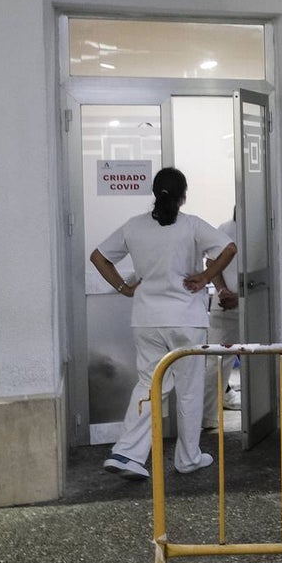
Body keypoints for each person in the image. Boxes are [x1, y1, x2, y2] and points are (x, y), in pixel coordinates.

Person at [90, 167, 237, 481]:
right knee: (188, 390)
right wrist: (206, 278)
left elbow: (99, 257)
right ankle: (188, 458)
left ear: (155, 194)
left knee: (148, 383)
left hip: (147, 320)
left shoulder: (134, 227)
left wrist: (124, 288)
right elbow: (229, 248)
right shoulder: (193, 225)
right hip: (186, 320)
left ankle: (127, 453)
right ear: (184, 196)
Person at [202, 214, 242, 428]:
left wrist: (222, 290)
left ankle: (207, 418)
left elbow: (210, 263)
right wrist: (233, 295)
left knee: (216, 362)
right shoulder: (259, 230)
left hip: (223, 303)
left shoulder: (223, 228)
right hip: (241, 305)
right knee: (258, 359)